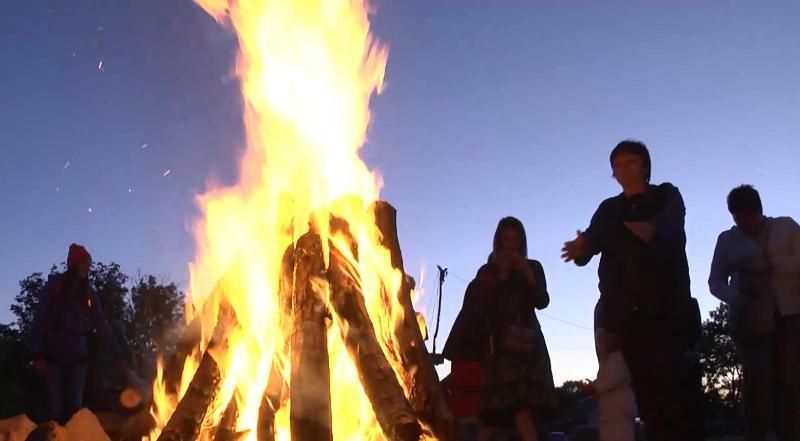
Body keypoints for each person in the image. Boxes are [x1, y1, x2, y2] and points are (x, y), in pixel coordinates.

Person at [560, 140, 702, 441]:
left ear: (645, 166)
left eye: (631, 161)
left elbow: (667, 231)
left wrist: (634, 232)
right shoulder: (609, 209)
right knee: (643, 399)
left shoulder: (665, 195)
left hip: (667, 310)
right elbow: (590, 243)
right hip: (625, 314)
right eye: (618, 164)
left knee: (676, 398)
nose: (624, 168)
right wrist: (584, 246)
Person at [443, 217, 555, 441]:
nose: (511, 245)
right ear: (498, 241)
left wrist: (528, 275)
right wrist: (501, 275)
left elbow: (542, 301)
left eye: (515, 239)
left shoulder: (533, 266)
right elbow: (477, 306)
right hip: (496, 349)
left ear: (522, 241)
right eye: (506, 239)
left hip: (526, 345)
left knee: (521, 408)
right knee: (489, 412)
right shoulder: (488, 271)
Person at [708, 185, 800, 441]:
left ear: (759, 210)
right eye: (737, 218)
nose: (743, 223)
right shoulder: (727, 240)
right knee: (756, 389)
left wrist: (771, 263)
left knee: (789, 384)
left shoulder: (786, 227)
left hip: (790, 316)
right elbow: (715, 281)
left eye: (747, 216)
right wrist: (738, 300)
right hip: (751, 321)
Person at [29, 244, 125, 424]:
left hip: (78, 357)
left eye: (88, 264)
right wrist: (37, 354)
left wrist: (118, 354)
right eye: (85, 263)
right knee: (55, 410)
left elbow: (101, 325)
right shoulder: (54, 287)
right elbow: (39, 320)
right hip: (53, 356)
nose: (88, 268)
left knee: (75, 411)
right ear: (74, 264)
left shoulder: (88, 293)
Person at [591, 302, 636, 441]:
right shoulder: (608, 361)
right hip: (609, 415)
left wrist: (594, 387)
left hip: (619, 415)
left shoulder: (619, 359)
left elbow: (611, 379)